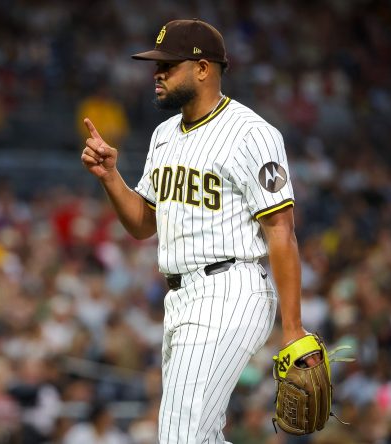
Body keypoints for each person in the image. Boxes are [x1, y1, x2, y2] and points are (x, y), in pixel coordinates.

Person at [81, 18, 319, 444]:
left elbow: (281, 231)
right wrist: (111, 178)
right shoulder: (164, 135)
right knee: (198, 436)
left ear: (204, 69)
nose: (157, 73)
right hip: (181, 298)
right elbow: (142, 224)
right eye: (157, 65)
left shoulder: (253, 134)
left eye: (169, 65)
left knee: (181, 437)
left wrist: (293, 328)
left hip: (231, 288)